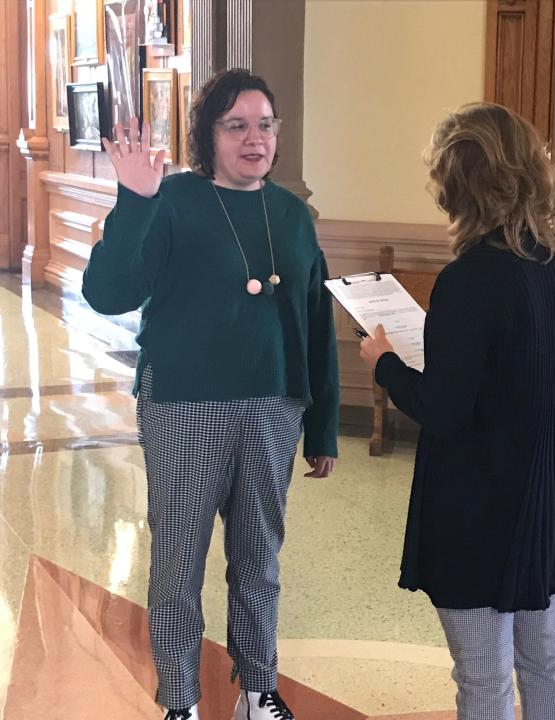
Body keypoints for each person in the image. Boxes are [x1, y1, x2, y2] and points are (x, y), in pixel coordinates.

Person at [82, 69, 339, 720]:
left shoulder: (292, 215)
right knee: (179, 559)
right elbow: (107, 294)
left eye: (265, 125)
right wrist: (134, 200)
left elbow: (316, 322)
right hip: (184, 403)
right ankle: (181, 701)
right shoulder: (169, 200)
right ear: (209, 134)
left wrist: (325, 427)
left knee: (259, 558)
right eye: (237, 125)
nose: (255, 139)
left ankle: (258, 690)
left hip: (272, 405)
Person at [359, 102, 555, 720]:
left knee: (484, 679)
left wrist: (383, 361)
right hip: (545, 489)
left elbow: (444, 411)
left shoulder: (469, 279)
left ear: (458, 188)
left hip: (480, 501)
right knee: (545, 660)